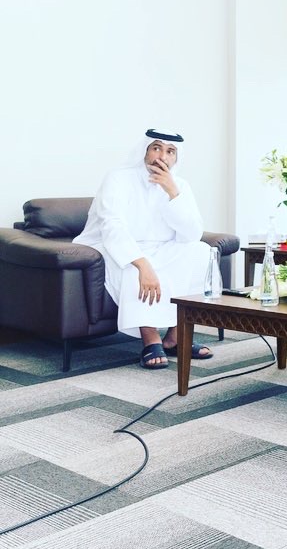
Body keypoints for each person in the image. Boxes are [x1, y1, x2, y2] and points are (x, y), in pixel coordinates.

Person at [74, 129, 215, 369]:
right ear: (145, 151)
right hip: (113, 246)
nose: (162, 156)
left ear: (176, 157)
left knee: (200, 251)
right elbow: (112, 226)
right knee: (132, 268)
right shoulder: (118, 178)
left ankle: (176, 336)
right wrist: (141, 263)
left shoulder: (180, 185)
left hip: (160, 247)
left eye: (170, 151)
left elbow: (192, 234)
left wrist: (173, 193)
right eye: (156, 148)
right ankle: (150, 339)